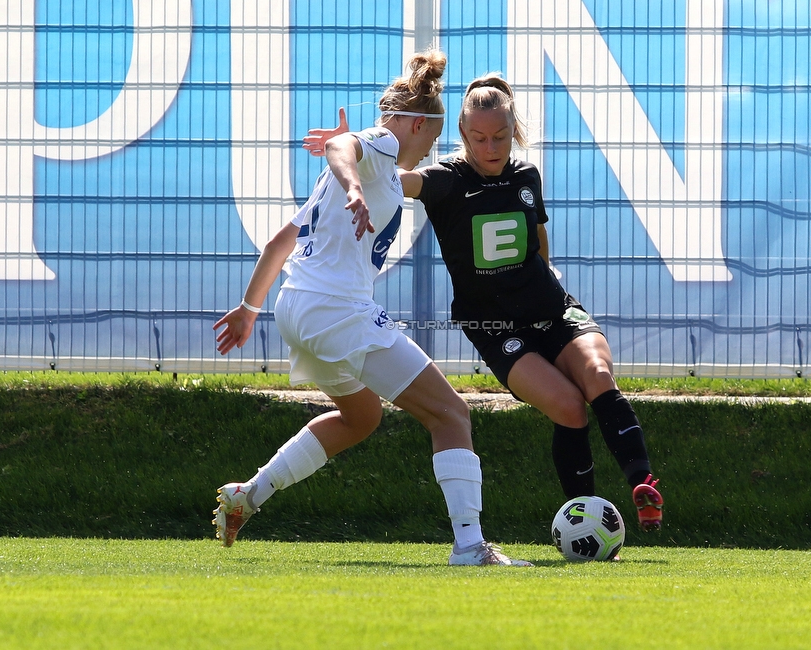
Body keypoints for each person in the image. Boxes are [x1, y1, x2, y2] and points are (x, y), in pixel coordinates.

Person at [212, 52, 532, 566]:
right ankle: (470, 546)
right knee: (451, 413)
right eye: (433, 134)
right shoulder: (381, 145)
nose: (431, 146)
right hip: (337, 311)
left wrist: (250, 307)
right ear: (413, 122)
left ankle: (247, 495)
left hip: (295, 309)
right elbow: (343, 145)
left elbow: (280, 242)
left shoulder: (365, 168)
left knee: (359, 418)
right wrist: (354, 179)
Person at [305, 75, 663, 532]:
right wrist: (349, 152)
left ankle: (643, 485)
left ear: (513, 133)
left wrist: (546, 283)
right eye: (478, 138)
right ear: (463, 135)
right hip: (496, 326)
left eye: (499, 137)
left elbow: (538, 238)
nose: (490, 147)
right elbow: (395, 177)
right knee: (569, 408)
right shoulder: (445, 180)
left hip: (552, 311)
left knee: (597, 375)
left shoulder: (526, 176)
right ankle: (585, 519)